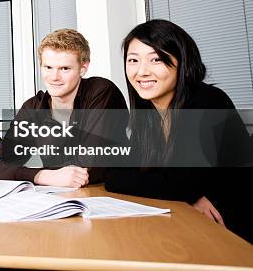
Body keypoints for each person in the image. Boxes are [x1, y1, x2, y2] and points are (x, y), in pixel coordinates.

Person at [105, 19, 252, 243]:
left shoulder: (206, 101)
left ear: (182, 61)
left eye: (155, 59)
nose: (142, 71)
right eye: (133, 60)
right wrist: (184, 193)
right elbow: (119, 172)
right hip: (188, 221)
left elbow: (179, 184)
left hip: (233, 229)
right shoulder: (149, 110)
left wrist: (183, 192)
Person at [0, 29, 128, 188]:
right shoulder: (33, 108)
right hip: (61, 198)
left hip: (114, 194)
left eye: (64, 69)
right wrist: (41, 175)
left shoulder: (102, 92)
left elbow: (88, 165)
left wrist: (34, 174)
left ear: (83, 68)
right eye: (48, 67)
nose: (54, 77)